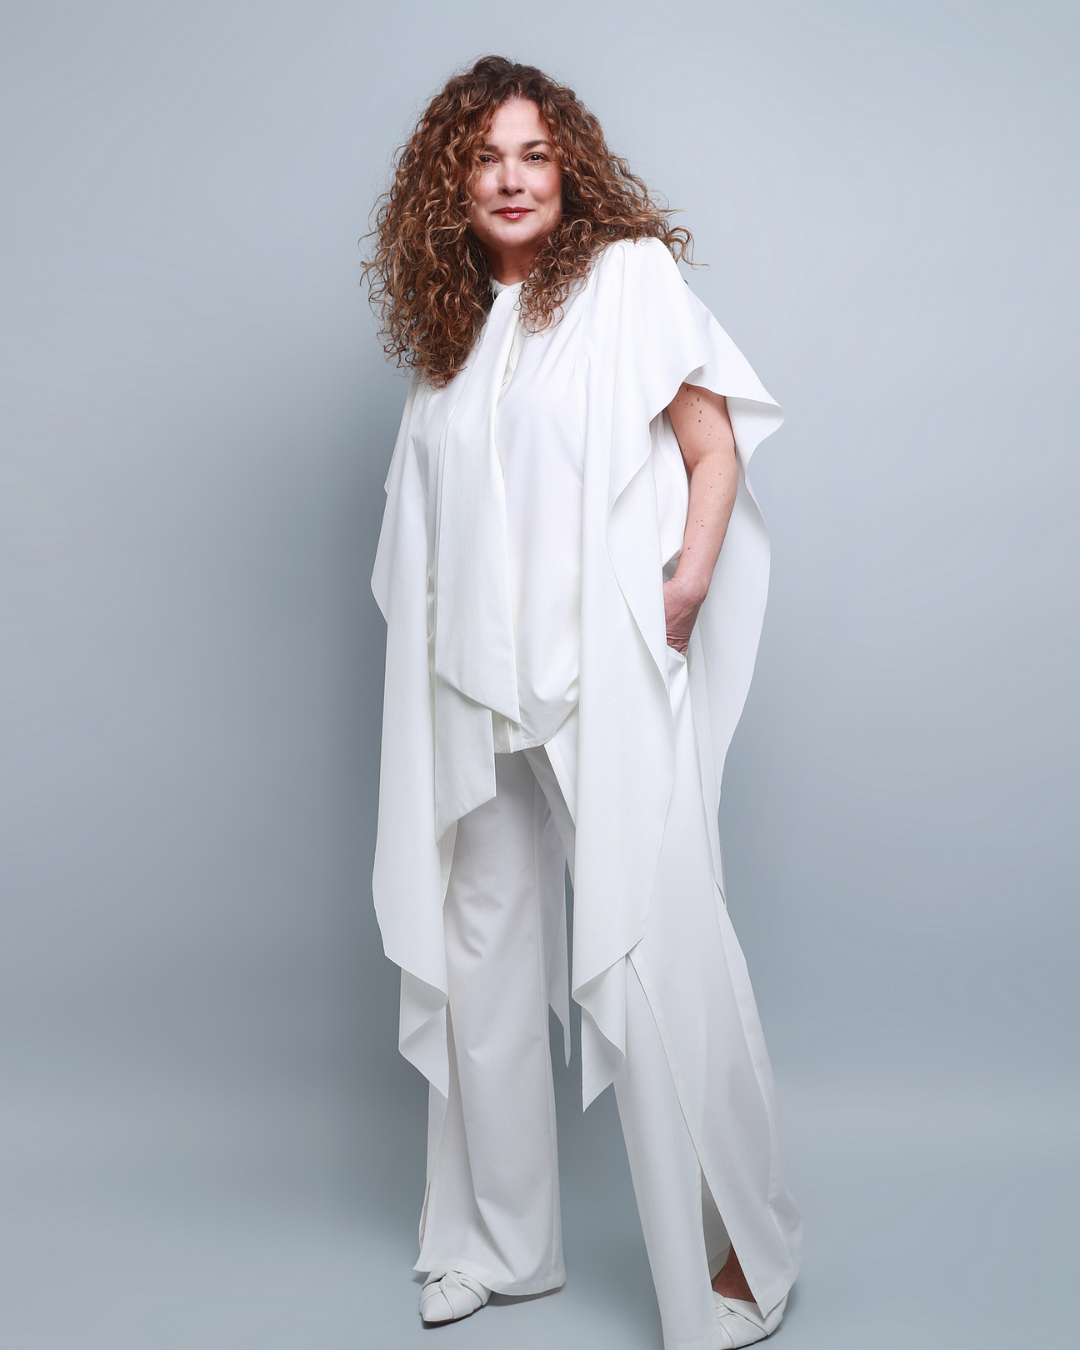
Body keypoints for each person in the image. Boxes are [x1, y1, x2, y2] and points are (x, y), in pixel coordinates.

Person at [363, 55, 801, 1350]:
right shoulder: (451, 338)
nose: (511, 178)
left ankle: (744, 1255)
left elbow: (712, 448)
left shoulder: (626, 282)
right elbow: (425, 530)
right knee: (483, 959)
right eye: (484, 157)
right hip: (469, 689)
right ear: (452, 184)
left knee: (658, 951)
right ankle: (501, 1246)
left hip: (600, 676)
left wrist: (686, 584)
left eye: (534, 154)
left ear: (570, 170)